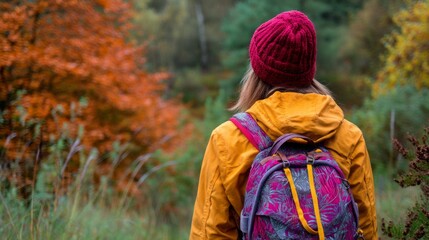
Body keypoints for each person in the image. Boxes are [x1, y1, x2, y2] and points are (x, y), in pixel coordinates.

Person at [190, 10, 377, 240]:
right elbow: (365, 228)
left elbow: (211, 233)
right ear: (309, 69)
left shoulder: (228, 139)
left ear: (257, 71)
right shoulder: (349, 136)